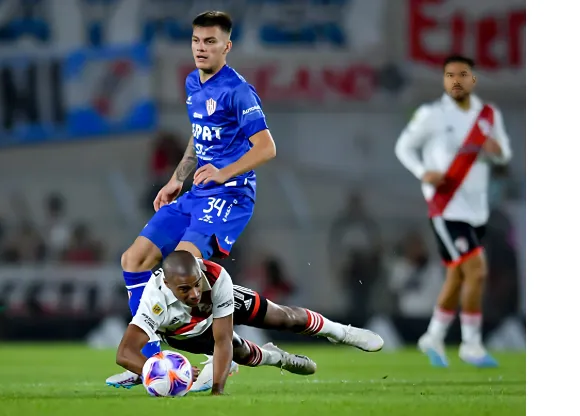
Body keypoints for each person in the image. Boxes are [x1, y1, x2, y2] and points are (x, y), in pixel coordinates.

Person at [108, 10, 277, 388]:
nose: (201, 48)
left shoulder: (238, 91)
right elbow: (199, 136)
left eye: (210, 42)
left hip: (229, 194)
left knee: (183, 270)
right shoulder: (192, 83)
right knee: (134, 259)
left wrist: (223, 171)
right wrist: (176, 179)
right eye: (197, 41)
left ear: (227, 46)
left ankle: (222, 355)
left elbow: (266, 148)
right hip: (197, 192)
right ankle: (156, 359)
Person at [114, 251, 384, 395]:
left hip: (221, 306)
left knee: (284, 317)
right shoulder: (152, 299)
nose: (194, 293)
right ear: (167, 284)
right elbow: (125, 353)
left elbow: (222, 340)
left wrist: (217, 392)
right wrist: (158, 370)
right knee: (240, 351)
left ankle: (343, 333)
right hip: (184, 332)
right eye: (185, 289)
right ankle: (277, 358)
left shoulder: (215, 276)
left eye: (197, 285)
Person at [394, 55, 512, 368]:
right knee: (477, 270)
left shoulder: (487, 116)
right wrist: (423, 172)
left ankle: (433, 336)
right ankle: (471, 344)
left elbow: (502, 158)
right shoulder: (431, 115)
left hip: (476, 210)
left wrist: (497, 153)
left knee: (458, 275)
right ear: (444, 81)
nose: (456, 80)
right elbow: (403, 147)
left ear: (473, 80)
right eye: (449, 75)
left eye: (462, 74)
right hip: (446, 205)